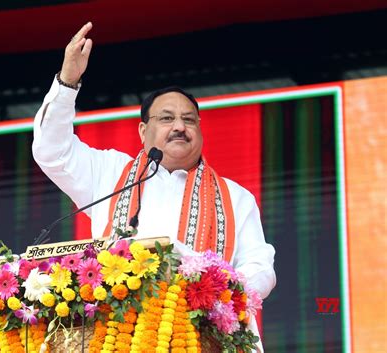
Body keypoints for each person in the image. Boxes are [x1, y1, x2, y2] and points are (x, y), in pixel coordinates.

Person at [32, 22, 275, 352]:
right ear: (143, 131)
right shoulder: (109, 172)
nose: (179, 126)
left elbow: (260, 267)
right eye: (167, 118)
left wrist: (219, 289)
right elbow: (51, 150)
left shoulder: (235, 198)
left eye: (189, 120)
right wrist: (67, 82)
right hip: (116, 338)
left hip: (201, 340)